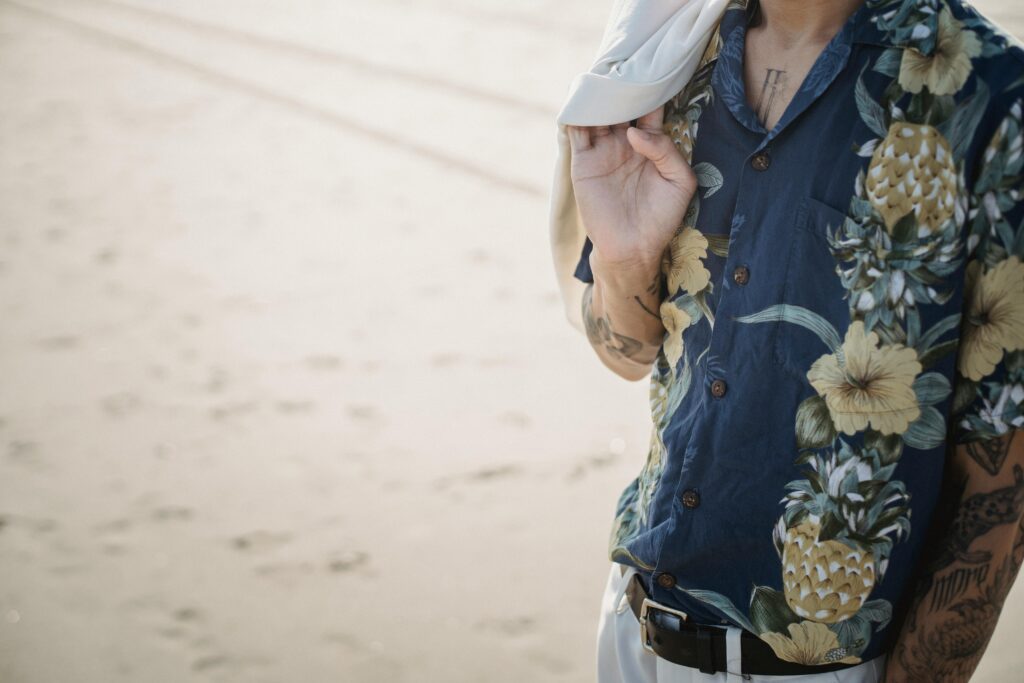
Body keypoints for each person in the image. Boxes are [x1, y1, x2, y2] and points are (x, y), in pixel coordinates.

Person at [563, 0, 1024, 680]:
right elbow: (626, 353)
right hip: (635, 631)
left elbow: (1001, 477)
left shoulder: (988, 97)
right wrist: (624, 258)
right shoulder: (672, 54)